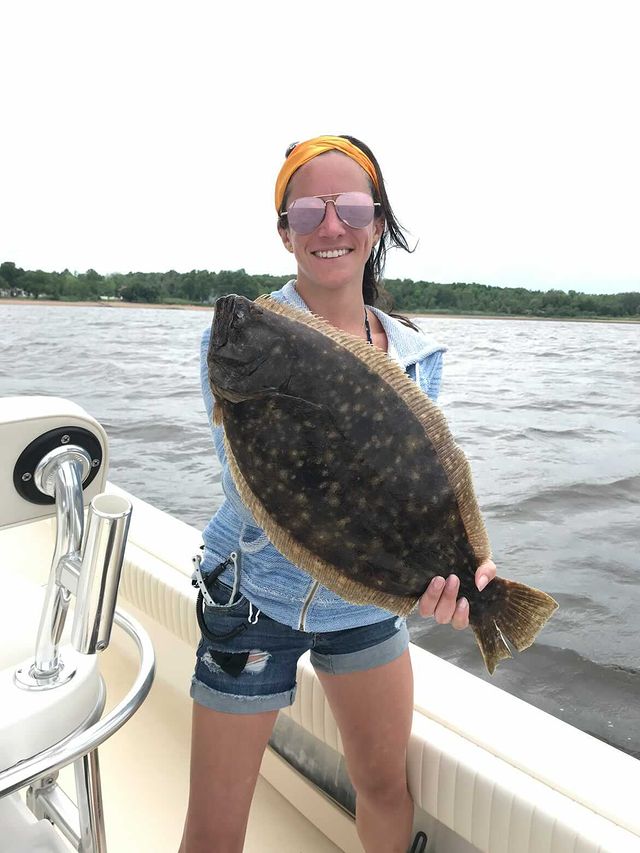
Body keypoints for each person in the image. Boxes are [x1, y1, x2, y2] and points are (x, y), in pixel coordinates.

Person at [179, 135, 496, 853]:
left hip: (363, 606)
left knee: (385, 786)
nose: (331, 226)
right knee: (212, 830)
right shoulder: (242, 336)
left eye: (351, 206)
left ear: (377, 224)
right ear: (284, 229)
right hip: (251, 595)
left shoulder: (416, 356)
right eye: (308, 209)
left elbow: (421, 491)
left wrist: (461, 569)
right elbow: (253, 481)